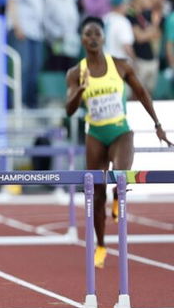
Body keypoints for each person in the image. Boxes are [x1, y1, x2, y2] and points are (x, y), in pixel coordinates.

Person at [65, 17, 171, 269]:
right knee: (96, 194)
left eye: (96, 34)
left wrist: (157, 124)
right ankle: (101, 245)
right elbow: (69, 110)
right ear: (82, 39)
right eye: (87, 34)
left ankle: (118, 195)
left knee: (120, 177)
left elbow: (143, 93)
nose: (92, 38)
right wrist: (80, 90)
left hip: (121, 132)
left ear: (103, 38)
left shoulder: (121, 66)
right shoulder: (75, 72)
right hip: (96, 136)